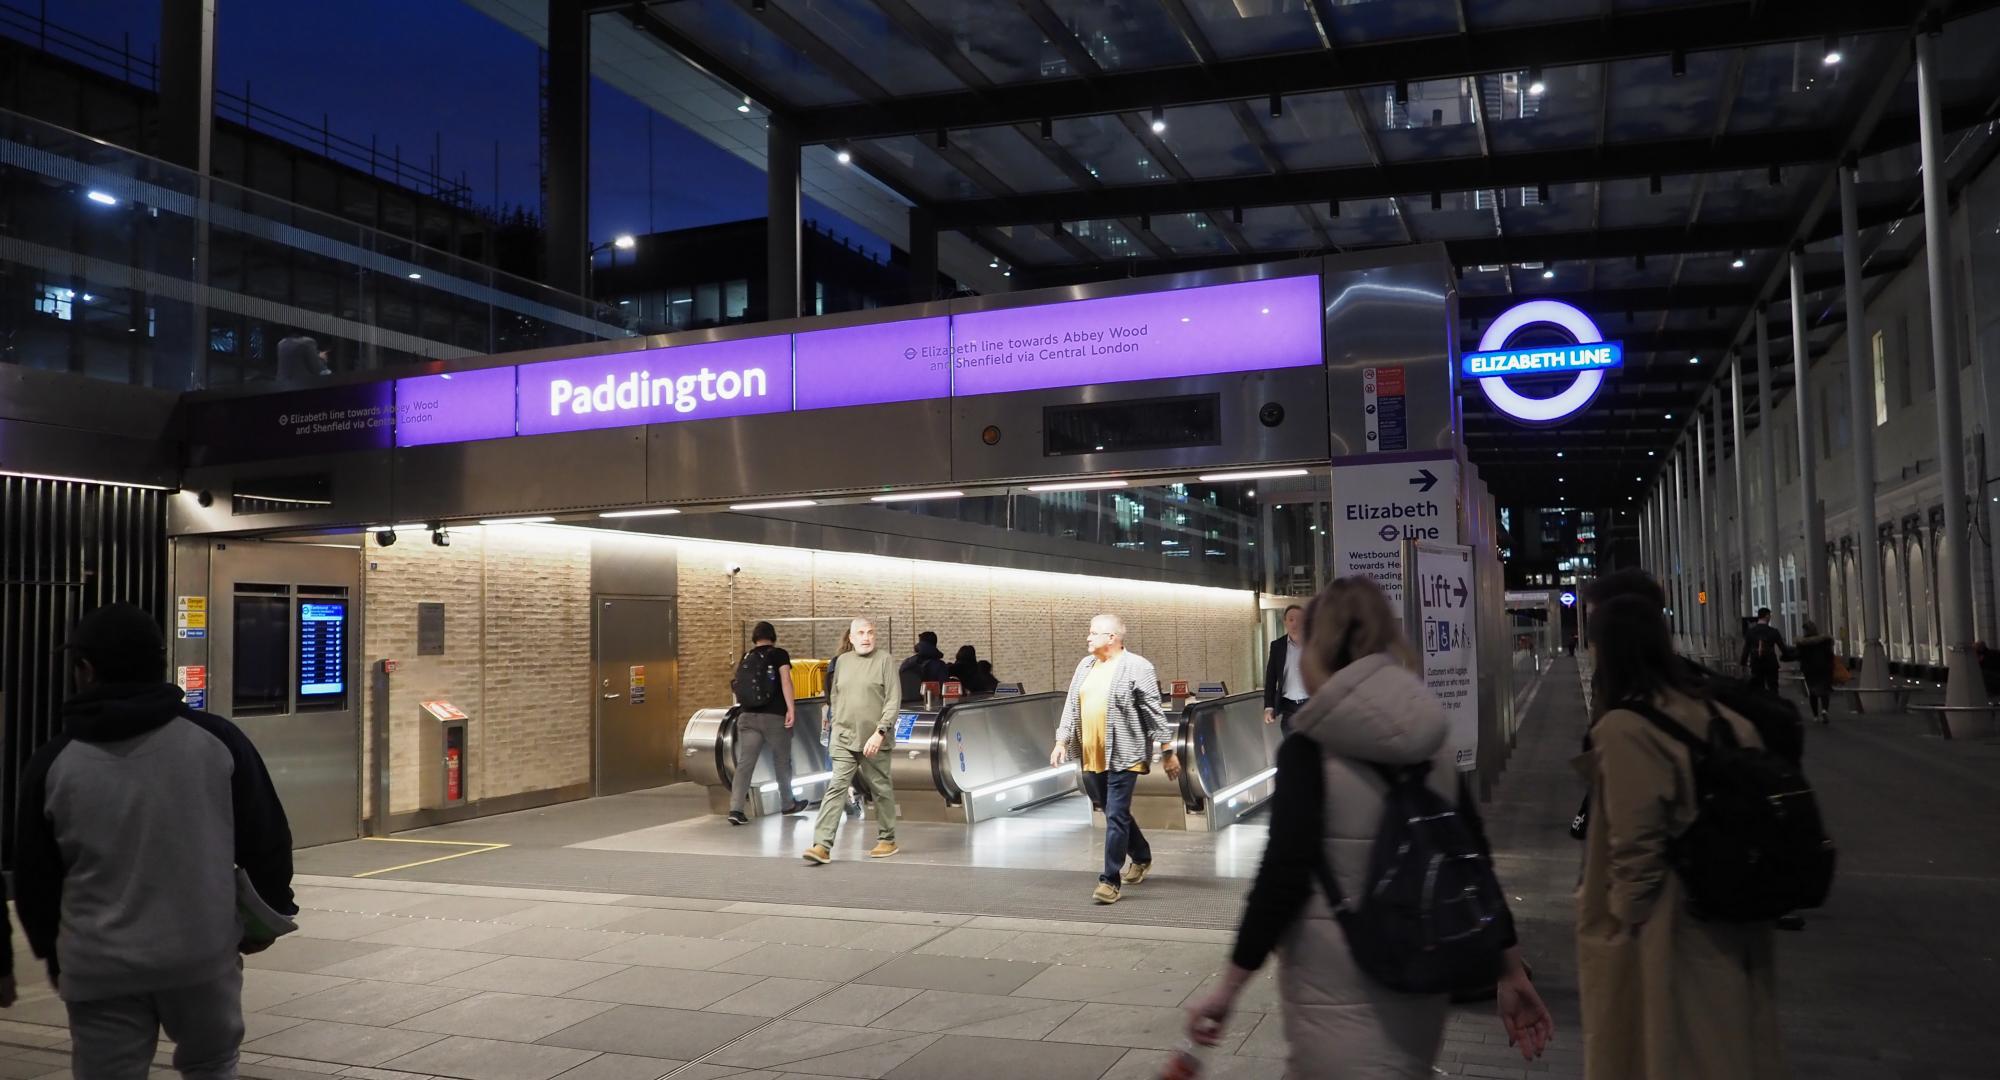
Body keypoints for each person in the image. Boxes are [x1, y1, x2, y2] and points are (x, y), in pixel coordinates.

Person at [1185, 578, 1551, 1077]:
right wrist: (1510, 968)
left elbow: (1282, 876)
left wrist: (1228, 988)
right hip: (1419, 976)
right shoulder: (1432, 739)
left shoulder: (1310, 749)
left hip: (1332, 982)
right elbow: (1473, 861)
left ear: (1317, 645)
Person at [11, 603, 296, 1079]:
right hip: (201, 955)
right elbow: (266, 838)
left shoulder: (54, 762)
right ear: (159, 663)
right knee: (212, 1064)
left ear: (86, 669)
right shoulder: (216, 740)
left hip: (98, 964)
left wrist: (52, 954)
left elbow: (35, 875)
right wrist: (268, 916)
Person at [1576, 574, 1788, 1079]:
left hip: (1669, 929)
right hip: (1734, 917)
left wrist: (1621, 922)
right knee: (1730, 1047)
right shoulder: (1722, 711)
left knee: (1664, 1051)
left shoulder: (1627, 728)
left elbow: (1635, 843)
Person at [1049, 614, 1182, 905]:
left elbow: (1153, 711)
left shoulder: (1137, 666)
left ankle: (1110, 880)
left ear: (1112, 638)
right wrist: (1062, 741)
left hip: (1125, 753)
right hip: (1089, 752)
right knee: (1112, 811)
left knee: (1116, 813)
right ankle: (1142, 856)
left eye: (1094, 633)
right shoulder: (1085, 666)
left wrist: (1168, 751)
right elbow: (1072, 704)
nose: (1088, 637)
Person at [805, 618, 902, 864]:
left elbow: (892, 700)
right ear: (851, 637)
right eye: (860, 633)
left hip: (874, 740)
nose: (866, 637)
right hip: (844, 738)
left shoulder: (884, 661)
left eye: (870, 632)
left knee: (880, 788)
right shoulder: (842, 663)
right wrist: (836, 729)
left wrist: (880, 732)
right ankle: (821, 845)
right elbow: (836, 698)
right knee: (837, 786)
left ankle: (887, 839)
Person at [728, 622, 806, 825]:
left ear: (755, 638)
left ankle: (736, 809)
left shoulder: (747, 657)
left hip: (747, 716)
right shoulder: (778, 654)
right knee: (781, 761)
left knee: (745, 764)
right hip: (774, 717)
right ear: (773, 636)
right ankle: (788, 803)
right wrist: (791, 708)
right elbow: (786, 680)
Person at [1262, 604, 1309, 734]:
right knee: (1291, 748)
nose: (1295, 624)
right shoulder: (1277, 646)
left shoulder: (1314, 644)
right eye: (1291, 619)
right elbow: (1271, 678)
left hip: (1311, 705)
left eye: (1299, 620)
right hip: (1288, 708)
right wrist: (1269, 706)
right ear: (1285, 622)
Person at [1794, 620, 1836, 725]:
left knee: (1813, 692)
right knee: (1824, 691)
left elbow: (1799, 656)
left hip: (1810, 670)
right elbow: (1830, 655)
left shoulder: (1803, 643)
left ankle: (1815, 716)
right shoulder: (1825, 641)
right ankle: (1824, 710)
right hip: (1824, 669)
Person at [1740, 608, 1786, 693]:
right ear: (1767, 616)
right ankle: (1774, 704)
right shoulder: (1773, 631)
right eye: (1769, 616)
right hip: (1771, 662)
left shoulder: (1750, 632)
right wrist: (1786, 656)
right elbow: (1783, 648)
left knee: (1758, 688)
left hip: (1756, 663)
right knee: (1773, 687)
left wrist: (1743, 663)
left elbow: (1746, 649)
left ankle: (1762, 704)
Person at [899, 631, 949, 704]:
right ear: (934, 644)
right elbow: (944, 689)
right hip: (931, 706)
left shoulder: (907, 662)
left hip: (906, 706)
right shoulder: (939, 665)